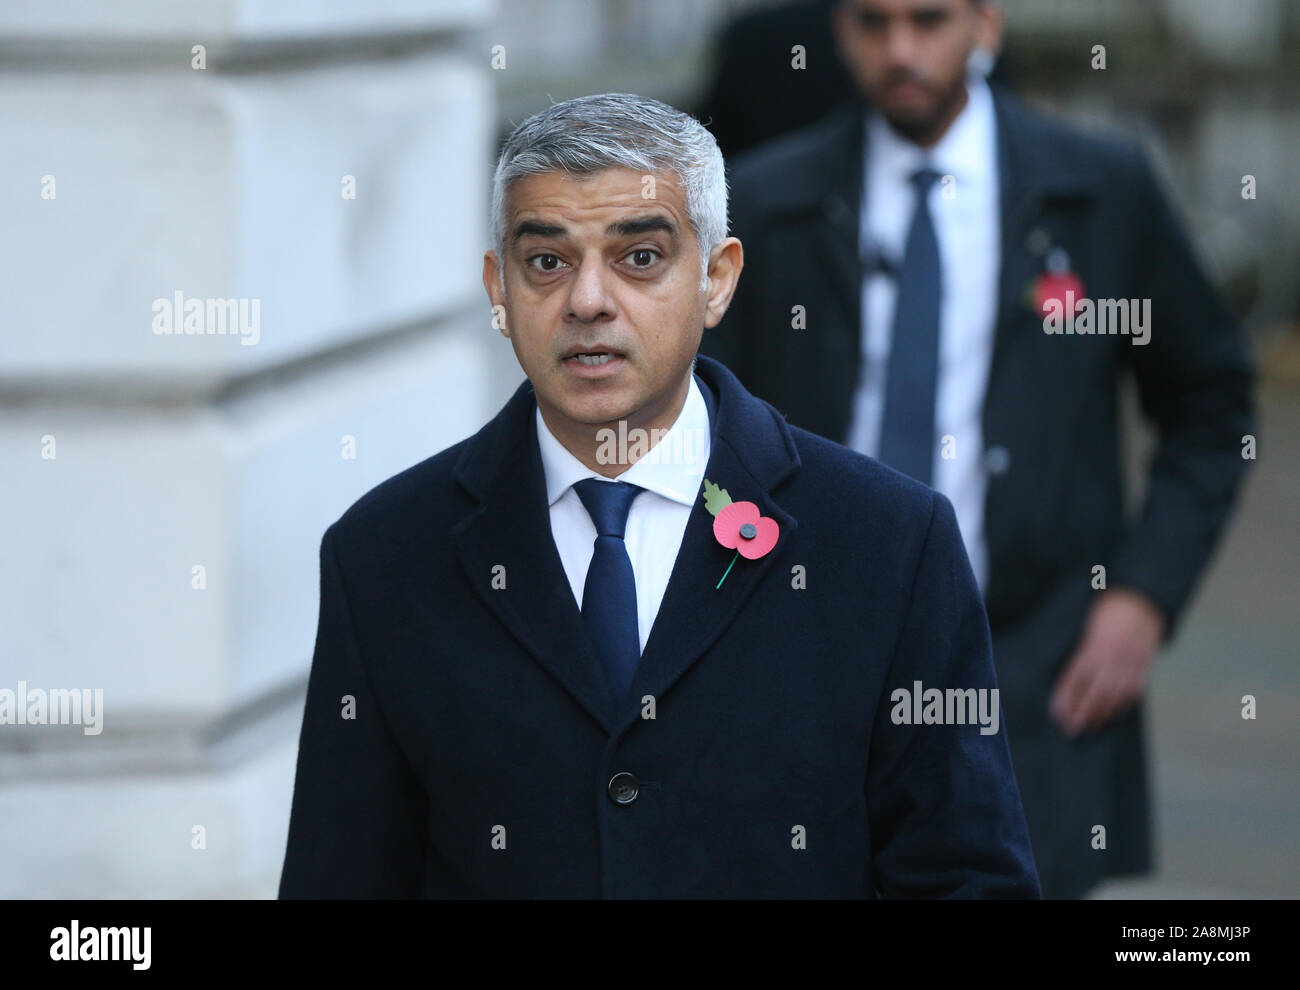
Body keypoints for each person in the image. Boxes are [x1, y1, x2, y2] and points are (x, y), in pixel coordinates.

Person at [278, 92, 1040, 899]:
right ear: (498, 290)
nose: (588, 301)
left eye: (639, 258)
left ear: (717, 279)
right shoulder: (385, 555)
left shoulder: (888, 541)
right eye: (548, 262)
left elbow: (965, 877)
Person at [700, 0, 1256, 898]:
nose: (903, 50)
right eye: (873, 24)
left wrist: (1144, 597)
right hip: (808, 670)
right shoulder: (767, 202)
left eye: (931, 19)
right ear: (840, 32)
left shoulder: (1099, 189)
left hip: (1034, 668)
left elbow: (1212, 402)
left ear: (986, 24)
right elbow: (701, 433)